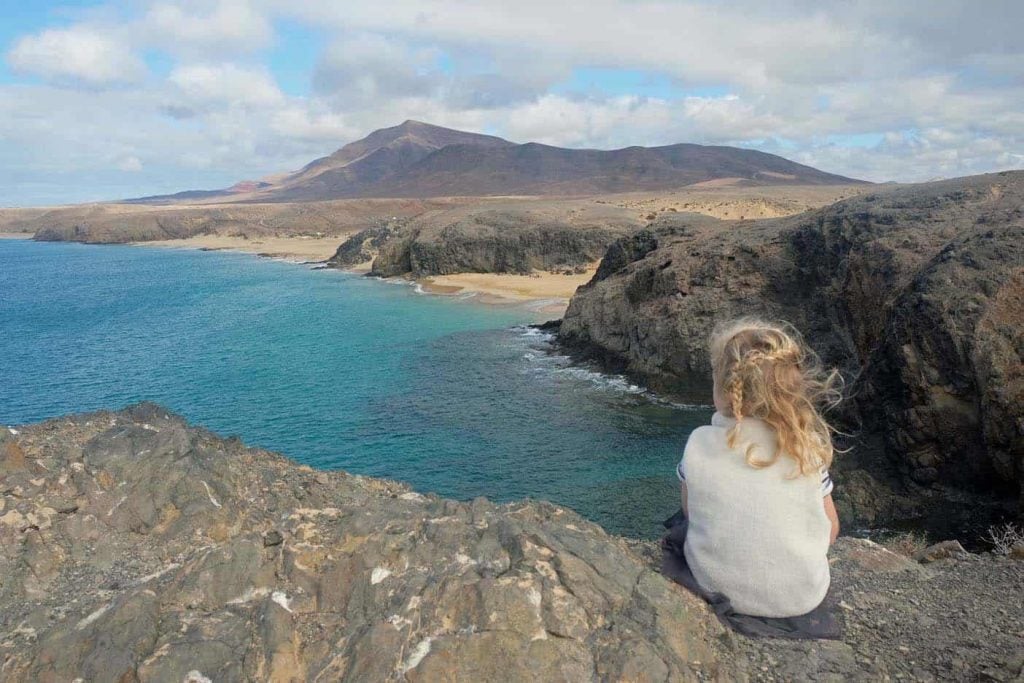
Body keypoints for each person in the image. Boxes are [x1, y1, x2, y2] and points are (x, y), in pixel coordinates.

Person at [675, 317, 842, 618]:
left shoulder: (698, 443)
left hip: (716, 586)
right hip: (802, 597)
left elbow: (690, 511)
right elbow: (831, 529)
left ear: (725, 391)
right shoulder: (806, 447)